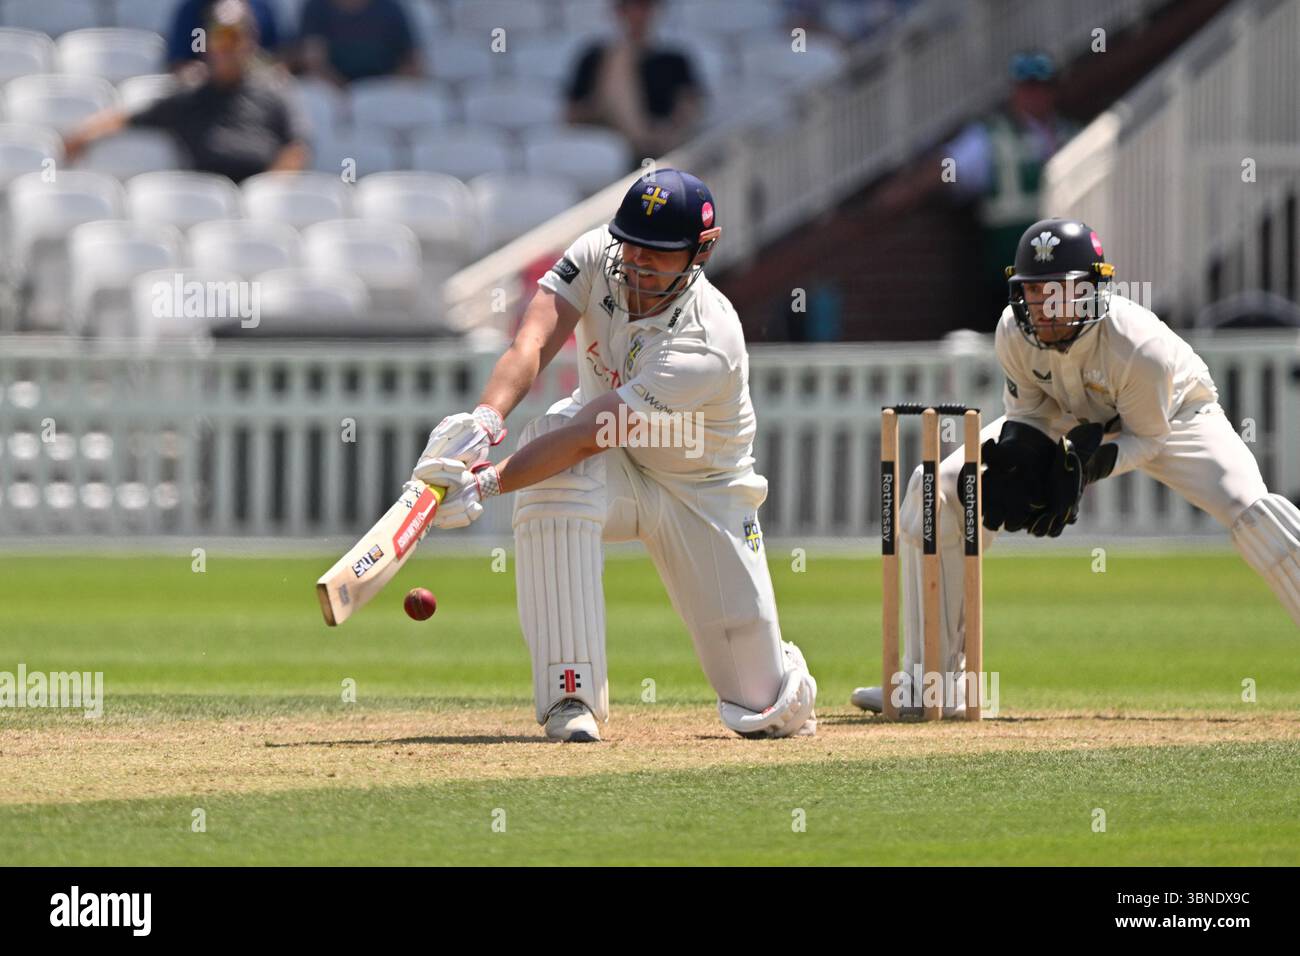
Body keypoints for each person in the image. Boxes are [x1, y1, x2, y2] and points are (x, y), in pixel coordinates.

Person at [407, 170, 818, 742]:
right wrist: (485, 419)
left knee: (764, 710)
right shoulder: (598, 254)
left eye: (660, 254)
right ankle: (569, 696)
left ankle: (780, 675)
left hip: (703, 489)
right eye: (633, 246)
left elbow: (587, 432)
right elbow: (532, 342)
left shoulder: (706, 341)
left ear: (703, 248)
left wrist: (489, 483)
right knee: (555, 474)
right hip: (619, 464)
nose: (640, 265)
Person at [851, 217, 1300, 716]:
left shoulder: (1138, 347)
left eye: (1059, 293)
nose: (1045, 308)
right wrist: (1024, 458)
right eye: (1034, 293)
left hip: (1176, 418)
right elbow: (1027, 414)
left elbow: (1148, 439)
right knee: (932, 488)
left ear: (1092, 290)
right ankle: (931, 684)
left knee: (1254, 513)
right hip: (1066, 410)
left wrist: (1085, 470)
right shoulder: (1012, 332)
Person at [876, 51, 1079, 323]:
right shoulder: (991, 136)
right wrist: (904, 192)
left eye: (1042, 87)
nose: (1035, 95)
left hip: (1064, 274)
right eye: (1027, 87)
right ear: (1015, 91)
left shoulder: (1071, 135)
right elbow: (948, 167)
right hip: (1009, 271)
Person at [65, 0, 307, 182]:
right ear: (207, 43)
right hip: (206, 201)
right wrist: (81, 135)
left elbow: (296, 146)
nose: (228, 48)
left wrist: (267, 194)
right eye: (221, 36)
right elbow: (130, 118)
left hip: (259, 203)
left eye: (236, 37)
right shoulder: (190, 98)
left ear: (251, 43)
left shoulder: (272, 96)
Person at [566, 0, 701, 162]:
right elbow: (571, 115)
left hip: (665, 137)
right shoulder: (596, 57)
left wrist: (670, 129)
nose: (636, 15)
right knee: (620, 59)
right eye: (629, 7)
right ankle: (642, 142)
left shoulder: (674, 59)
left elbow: (691, 105)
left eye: (643, 7)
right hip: (614, 139)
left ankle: (647, 144)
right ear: (618, 12)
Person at [297, 0, 421, 86]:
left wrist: (386, 88)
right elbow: (315, 64)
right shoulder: (316, 8)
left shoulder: (392, 8)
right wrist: (345, 92)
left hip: (384, 90)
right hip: (333, 93)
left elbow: (411, 61)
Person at [166, 0, 282, 72]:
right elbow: (178, 64)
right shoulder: (191, 10)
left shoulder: (262, 8)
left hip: (254, 93)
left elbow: (276, 58)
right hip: (205, 94)